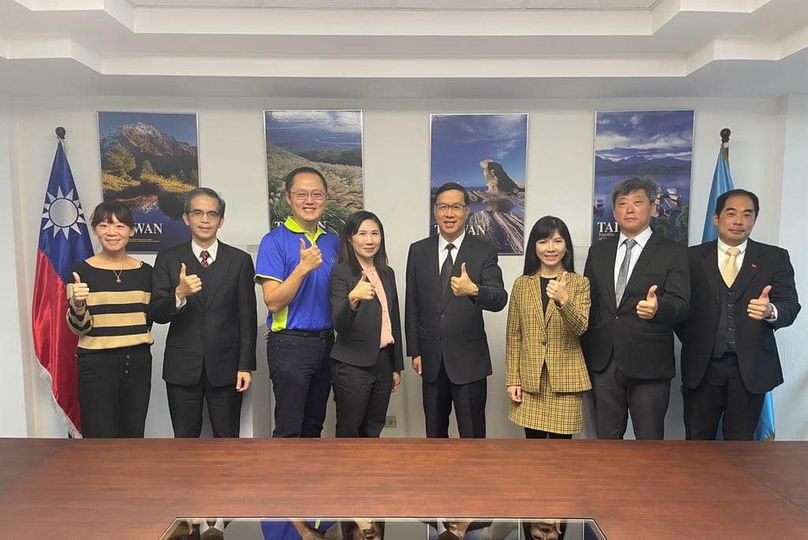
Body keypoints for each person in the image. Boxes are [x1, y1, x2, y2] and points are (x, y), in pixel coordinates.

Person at [678, 189, 800, 440]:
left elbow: (790, 305)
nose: (739, 221)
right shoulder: (690, 257)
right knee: (697, 444)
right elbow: (679, 310)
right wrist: (696, 340)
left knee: (741, 448)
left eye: (747, 214)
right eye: (731, 213)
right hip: (702, 368)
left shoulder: (774, 257)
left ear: (754, 219)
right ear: (716, 218)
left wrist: (771, 311)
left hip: (751, 368)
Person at [582, 176, 689, 440]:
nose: (629, 209)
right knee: (606, 443)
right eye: (622, 203)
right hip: (604, 362)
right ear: (614, 211)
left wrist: (658, 308)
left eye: (637, 202)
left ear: (653, 208)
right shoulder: (598, 252)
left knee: (649, 444)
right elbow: (590, 303)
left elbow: (682, 304)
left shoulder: (673, 252)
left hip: (649, 364)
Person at [150, 188, 257, 438]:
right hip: (182, 368)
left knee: (227, 440)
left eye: (212, 214)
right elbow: (157, 313)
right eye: (197, 213)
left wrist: (245, 365)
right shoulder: (168, 259)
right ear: (186, 218)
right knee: (185, 441)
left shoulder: (239, 260)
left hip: (227, 367)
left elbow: (247, 318)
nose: (205, 220)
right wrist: (179, 294)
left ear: (221, 220)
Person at [405, 181, 508, 438]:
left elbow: (499, 298)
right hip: (431, 359)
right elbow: (412, 304)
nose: (449, 214)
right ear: (435, 210)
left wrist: (474, 290)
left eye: (456, 207)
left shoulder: (483, 251)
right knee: (434, 436)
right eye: (443, 207)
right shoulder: (418, 250)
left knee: (472, 438)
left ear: (467, 210)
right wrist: (415, 350)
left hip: (469, 362)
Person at [255, 166, 340, 437]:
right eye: (302, 194)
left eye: (317, 194)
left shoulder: (333, 241)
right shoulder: (274, 241)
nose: (309, 201)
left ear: (325, 198)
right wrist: (302, 269)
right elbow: (273, 302)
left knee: (314, 426)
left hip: (327, 343)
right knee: (289, 428)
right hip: (290, 345)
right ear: (288, 198)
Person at [66, 201, 153, 438]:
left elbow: (148, 319)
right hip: (96, 363)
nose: (112, 232)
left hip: (137, 362)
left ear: (131, 231)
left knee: (133, 434)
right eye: (104, 225)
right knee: (99, 436)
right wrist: (78, 304)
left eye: (119, 226)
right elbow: (79, 328)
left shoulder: (146, 272)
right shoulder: (80, 271)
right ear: (95, 229)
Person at [505, 216, 591, 439]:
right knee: (533, 451)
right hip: (530, 381)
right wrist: (513, 379)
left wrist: (564, 301)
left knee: (560, 453)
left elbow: (581, 327)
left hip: (565, 381)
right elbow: (514, 335)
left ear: (566, 247)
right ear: (534, 247)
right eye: (543, 241)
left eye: (557, 241)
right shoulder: (521, 284)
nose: (550, 248)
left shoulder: (580, 283)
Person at [330, 211, 403, 437]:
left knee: (374, 428)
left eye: (375, 233)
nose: (369, 240)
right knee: (349, 429)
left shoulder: (387, 273)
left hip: (383, 362)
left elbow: (394, 320)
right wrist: (352, 299)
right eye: (362, 234)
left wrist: (396, 366)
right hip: (352, 365)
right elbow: (339, 324)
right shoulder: (341, 272)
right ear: (350, 238)